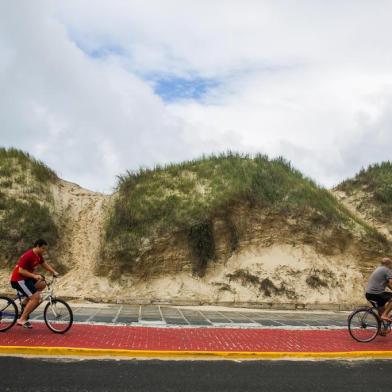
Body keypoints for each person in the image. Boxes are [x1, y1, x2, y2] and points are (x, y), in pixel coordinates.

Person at [10, 239, 59, 328]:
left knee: (43, 284)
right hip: (19, 280)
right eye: (43, 248)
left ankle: (25, 303)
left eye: (45, 249)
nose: (44, 251)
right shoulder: (28, 256)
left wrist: (54, 272)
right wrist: (34, 276)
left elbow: (43, 263)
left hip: (27, 278)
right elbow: (21, 271)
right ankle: (22, 319)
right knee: (36, 298)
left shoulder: (38, 255)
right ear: (37, 246)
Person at [365, 257, 392, 323]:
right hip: (377, 294)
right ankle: (385, 315)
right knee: (384, 313)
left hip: (369, 294)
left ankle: (381, 330)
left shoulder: (378, 269)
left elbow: (387, 284)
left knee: (381, 311)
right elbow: (391, 282)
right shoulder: (387, 270)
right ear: (388, 264)